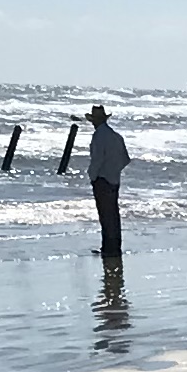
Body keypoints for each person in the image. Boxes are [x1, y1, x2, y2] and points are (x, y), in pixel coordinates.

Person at [82, 101, 129, 260]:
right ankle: (114, 247)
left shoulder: (99, 136)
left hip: (102, 180)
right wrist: (115, 170)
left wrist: (92, 176)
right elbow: (125, 159)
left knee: (105, 215)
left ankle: (107, 248)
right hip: (114, 179)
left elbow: (97, 159)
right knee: (113, 215)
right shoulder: (116, 136)